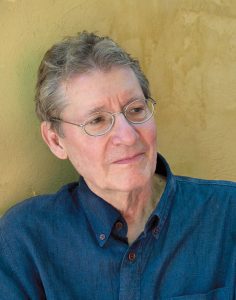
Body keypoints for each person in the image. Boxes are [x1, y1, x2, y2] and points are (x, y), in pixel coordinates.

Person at [0, 31, 235, 300]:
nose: (128, 136)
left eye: (135, 110)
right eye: (97, 120)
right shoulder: (24, 241)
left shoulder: (228, 215)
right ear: (56, 141)